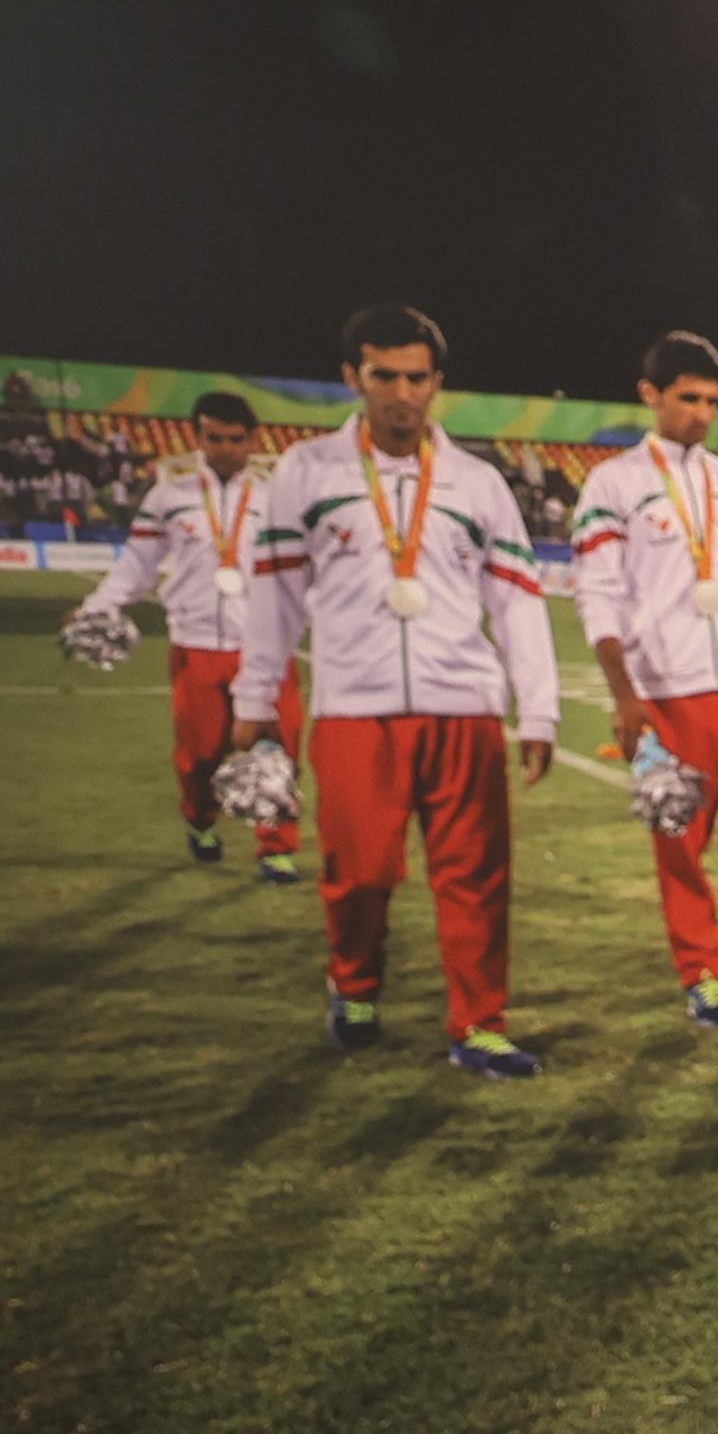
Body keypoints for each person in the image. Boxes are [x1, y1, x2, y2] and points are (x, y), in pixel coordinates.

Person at [235, 306, 556, 1077]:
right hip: (356, 709)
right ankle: (353, 985)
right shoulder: (306, 472)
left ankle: (479, 1023)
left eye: (417, 379)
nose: (402, 395)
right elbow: (274, 596)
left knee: (475, 878)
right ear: (354, 377)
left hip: (463, 707)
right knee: (361, 874)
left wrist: (539, 707)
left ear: (437, 382)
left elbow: (517, 600)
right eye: (385, 376)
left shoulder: (479, 483)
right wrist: (253, 702)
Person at [568, 329, 718, 1031]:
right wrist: (625, 694)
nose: (702, 413)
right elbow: (598, 593)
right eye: (688, 399)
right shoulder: (612, 485)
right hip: (671, 687)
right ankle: (702, 972)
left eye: (712, 401)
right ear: (650, 395)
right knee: (681, 838)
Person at [84, 391, 304, 879]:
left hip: (265, 649)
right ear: (198, 438)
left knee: (277, 750)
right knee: (199, 757)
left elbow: (303, 570)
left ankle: (276, 848)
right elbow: (136, 565)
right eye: (214, 438)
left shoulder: (278, 500)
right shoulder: (168, 498)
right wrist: (97, 606)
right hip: (195, 646)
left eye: (235, 439)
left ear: (253, 441)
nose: (224, 449)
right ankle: (200, 820)